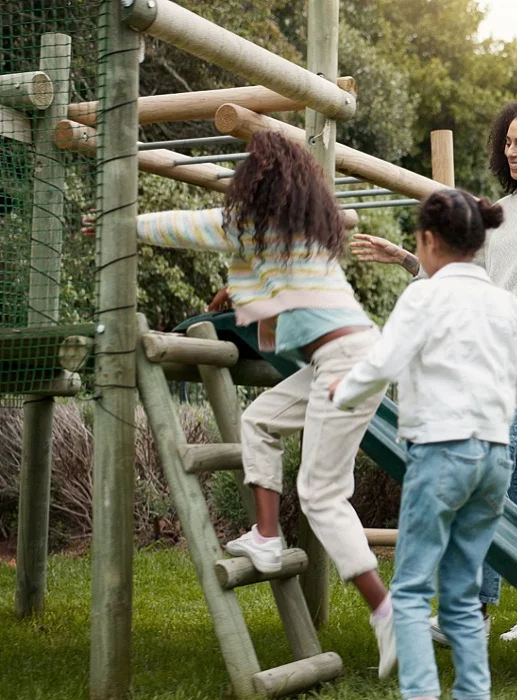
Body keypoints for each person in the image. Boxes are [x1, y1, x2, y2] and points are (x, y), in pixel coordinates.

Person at [92, 131, 397, 675]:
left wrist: (117, 223)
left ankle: (385, 610)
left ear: (255, 183)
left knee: (322, 495)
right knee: (259, 421)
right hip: (354, 354)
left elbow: (179, 227)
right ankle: (266, 536)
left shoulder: (247, 224)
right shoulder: (304, 231)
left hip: (344, 361)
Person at [352, 100, 517, 642]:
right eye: (508, 143)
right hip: (502, 349)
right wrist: (403, 258)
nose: (511, 153)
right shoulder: (500, 211)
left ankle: (473, 612)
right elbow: (466, 278)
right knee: (513, 482)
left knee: (489, 461)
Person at [331, 188, 517, 700]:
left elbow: (383, 362)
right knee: (463, 593)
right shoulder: (508, 304)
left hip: (441, 452)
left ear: (427, 241)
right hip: (493, 459)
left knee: (409, 588)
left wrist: (345, 390)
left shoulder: (424, 295)